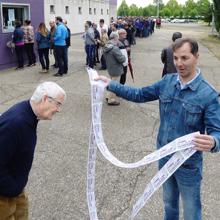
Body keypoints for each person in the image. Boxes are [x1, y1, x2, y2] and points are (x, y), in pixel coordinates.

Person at [96, 38, 220, 220]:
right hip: (163, 157)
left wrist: (214, 141)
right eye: (176, 58)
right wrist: (111, 84)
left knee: (192, 212)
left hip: (188, 165)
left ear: (196, 57)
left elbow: (217, 131)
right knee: (169, 206)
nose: (179, 63)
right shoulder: (167, 82)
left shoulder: (208, 94)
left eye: (185, 58)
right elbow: (139, 95)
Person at [0, 81, 66, 220]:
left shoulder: (30, 115)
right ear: (45, 99)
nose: (58, 109)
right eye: (58, 104)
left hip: (16, 189)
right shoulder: (15, 123)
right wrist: (11, 189)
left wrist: (17, 188)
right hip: (5, 195)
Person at [103, 32, 125, 106]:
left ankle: (108, 96)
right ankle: (110, 99)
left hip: (110, 67)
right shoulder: (114, 48)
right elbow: (122, 59)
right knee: (114, 84)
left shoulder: (106, 46)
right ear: (115, 38)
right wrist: (124, 56)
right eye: (117, 38)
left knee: (112, 82)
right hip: (116, 68)